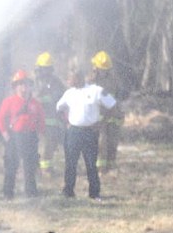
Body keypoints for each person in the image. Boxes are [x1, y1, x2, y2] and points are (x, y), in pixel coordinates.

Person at [56, 70, 116, 200]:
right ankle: (68, 191)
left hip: (90, 132)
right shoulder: (69, 93)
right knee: (71, 162)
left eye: (70, 78)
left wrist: (102, 122)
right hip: (74, 132)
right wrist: (66, 122)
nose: (68, 81)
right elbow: (59, 108)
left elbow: (112, 105)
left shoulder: (95, 91)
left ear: (79, 78)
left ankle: (94, 193)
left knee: (90, 163)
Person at [0, 70, 45, 199]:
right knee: (11, 165)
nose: (24, 87)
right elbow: (0, 118)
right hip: (15, 136)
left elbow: (41, 119)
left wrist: (39, 133)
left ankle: (31, 192)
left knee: (30, 165)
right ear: (15, 87)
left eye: (26, 84)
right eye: (20, 84)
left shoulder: (35, 103)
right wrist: (5, 134)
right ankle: (8, 193)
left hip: (30, 136)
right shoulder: (9, 101)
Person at [90, 50, 123, 173]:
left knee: (113, 141)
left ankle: (111, 165)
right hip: (99, 117)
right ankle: (100, 167)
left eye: (105, 69)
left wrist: (119, 113)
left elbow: (118, 97)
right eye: (101, 69)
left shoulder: (114, 80)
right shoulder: (91, 81)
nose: (103, 72)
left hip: (112, 115)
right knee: (101, 142)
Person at [33, 53, 66, 174]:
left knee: (50, 144)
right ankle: (42, 168)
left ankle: (47, 167)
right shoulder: (34, 82)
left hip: (53, 119)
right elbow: (33, 99)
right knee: (41, 145)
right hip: (37, 119)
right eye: (43, 69)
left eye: (47, 69)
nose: (45, 72)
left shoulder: (55, 81)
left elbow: (61, 96)